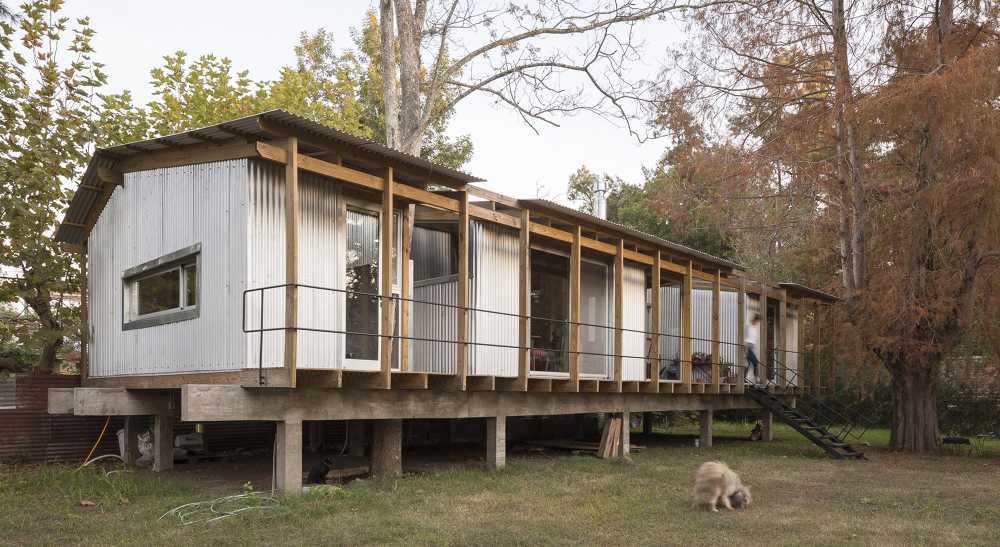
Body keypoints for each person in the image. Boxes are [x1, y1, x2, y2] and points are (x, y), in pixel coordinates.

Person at [745, 313, 762, 386]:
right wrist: (745, 349)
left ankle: (744, 378)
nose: (758, 323)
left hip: (752, 347)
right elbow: (745, 338)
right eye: (757, 321)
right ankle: (756, 379)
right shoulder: (749, 326)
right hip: (748, 347)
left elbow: (753, 340)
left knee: (749, 364)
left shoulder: (755, 328)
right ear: (755, 320)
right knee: (756, 362)